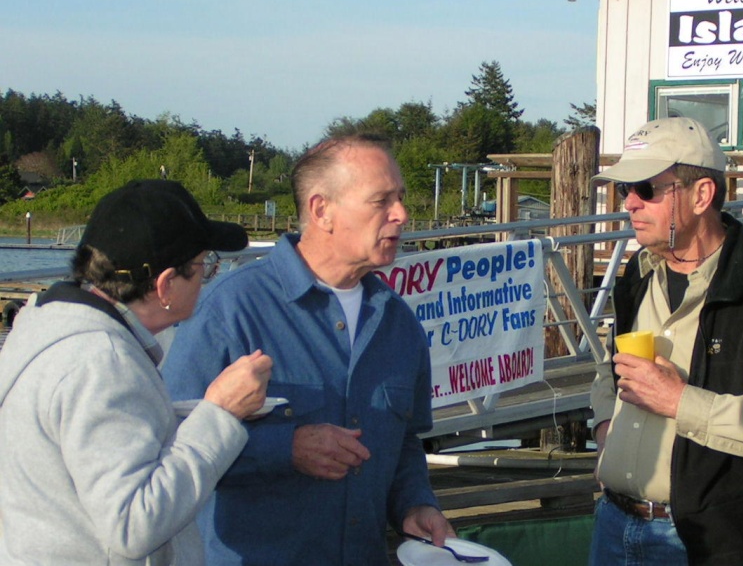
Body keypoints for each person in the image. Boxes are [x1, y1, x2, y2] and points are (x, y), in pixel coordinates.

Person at [161, 133, 453, 565]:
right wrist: (285, 449)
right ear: (322, 210)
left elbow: (404, 441)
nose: (402, 214)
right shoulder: (230, 309)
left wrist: (415, 504)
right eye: (381, 200)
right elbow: (168, 445)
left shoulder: (399, 324)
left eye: (402, 198)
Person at [0, 179, 273, 565]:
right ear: (165, 286)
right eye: (203, 266)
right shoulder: (102, 362)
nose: (206, 279)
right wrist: (221, 414)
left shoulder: (43, 326)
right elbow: (132, 524)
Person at [588, 117, 743, 565]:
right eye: (623, 189)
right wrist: (606, 428)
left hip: (716, 541)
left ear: (701, 195)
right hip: (614, 523)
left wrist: (681, 401)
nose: (629, 203)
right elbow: (609, 371)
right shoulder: (638, 276)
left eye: (645, 188)